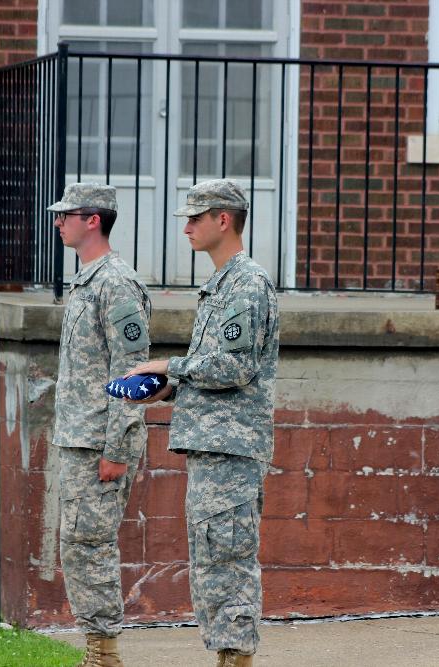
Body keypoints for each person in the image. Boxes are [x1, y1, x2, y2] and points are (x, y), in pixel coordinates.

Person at [127, 179, 280, 667]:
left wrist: (168, 367)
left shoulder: (246, 285)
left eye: (196, 218)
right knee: (213, 562)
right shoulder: (222, 286)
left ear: (224, 220)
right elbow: (215, 367)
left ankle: (235, 659)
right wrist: (166, 387)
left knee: (227, 563)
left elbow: (234, 368)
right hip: (214, 446)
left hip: (231, 451)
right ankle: (227, 657)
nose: (187, 227)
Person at [48, 183, 151, 667]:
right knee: (76, 545)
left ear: (93, 219)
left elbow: (133, 376)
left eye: (66, 214)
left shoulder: (117, 283)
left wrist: (117, 448)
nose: (57, 222)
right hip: (78, 439)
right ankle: (97, 650)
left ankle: (105, 654)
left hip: (98, 446)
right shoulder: (86, 280)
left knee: (91, 546)